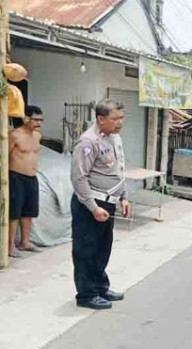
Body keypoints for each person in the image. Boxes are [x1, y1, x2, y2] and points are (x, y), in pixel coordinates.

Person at [70, 100, 131, 310]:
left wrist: (124, 196)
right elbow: (79, 178)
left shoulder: (115, 137)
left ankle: (99, 286)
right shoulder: (88, 142)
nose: (120, 122)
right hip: (91, 204)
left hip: (110, 202)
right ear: (101, 119)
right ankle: (86, 294)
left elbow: (119, 168)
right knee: (86, 250)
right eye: (115, 118)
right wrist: (92, 207)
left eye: (121, 117)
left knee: (102, 248)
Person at [7, 106, 44, 258]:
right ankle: (10, 245)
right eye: (36, 119)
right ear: (26, 118)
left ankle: (25, 242)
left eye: (41, 120)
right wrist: (1, 178)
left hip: (32, 177)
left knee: (29, 211)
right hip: (16, 176)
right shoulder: (14, 135)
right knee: (14, 212)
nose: (39, 123)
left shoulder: (37, 136)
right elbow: (3, 157)